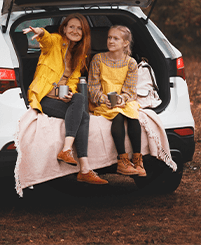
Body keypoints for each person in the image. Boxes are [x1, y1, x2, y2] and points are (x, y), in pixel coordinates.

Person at [23, 14, 108, 185]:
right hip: (44, 97)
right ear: (64, 28)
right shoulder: (55, 41)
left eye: (79, 28)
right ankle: (80, 165)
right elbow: (46, 40)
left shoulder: (79, 55)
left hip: (61, 98)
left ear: (84, 33)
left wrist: (69, 92)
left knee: (79, 103)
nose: (75, 31)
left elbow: (73, 80)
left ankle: (76, 160)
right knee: (83, 114)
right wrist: (41, 32)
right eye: (71, 27)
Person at [88, 25, 146, 177]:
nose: (111, 41)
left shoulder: (131, 63)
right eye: (109, 37)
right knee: (118, 116)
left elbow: (130, 90)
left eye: (116, 38)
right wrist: (103, 99)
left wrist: (122, 98)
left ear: (125, 43)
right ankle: (122, 160)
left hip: (123, 100)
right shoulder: (98, 59)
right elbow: (93, 87)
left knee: (133, 117)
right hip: (103, 101)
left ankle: (138, 160)